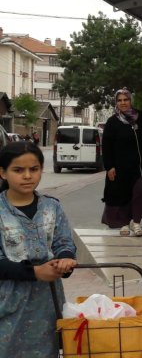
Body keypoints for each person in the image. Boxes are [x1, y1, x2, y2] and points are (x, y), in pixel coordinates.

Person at [0, 141, 77, 357]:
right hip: (7, 302)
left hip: (47, 302)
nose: (27, 176)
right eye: (18, 170)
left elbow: (64, 242)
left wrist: (65, 260)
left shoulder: (52, 206)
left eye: (33, 169)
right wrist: (35, 272)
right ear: (3, 173)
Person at [101, 88, 142, 237]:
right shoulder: (112, 122)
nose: (123, 103)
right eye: (119, 100)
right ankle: (123, 223)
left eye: (125, 99)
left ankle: (136, 222)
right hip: (121, 168)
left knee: (141, 192)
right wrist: (109, 167)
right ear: (116, 103)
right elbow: (106, 147)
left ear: (130, 100)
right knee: (123, 194)